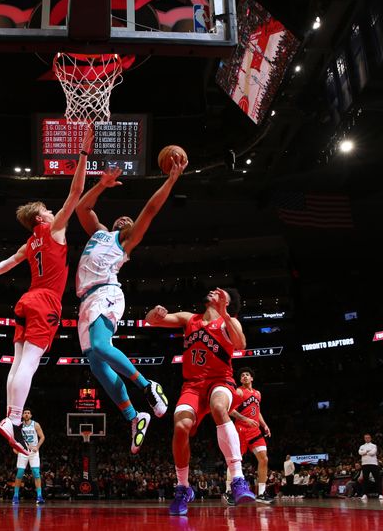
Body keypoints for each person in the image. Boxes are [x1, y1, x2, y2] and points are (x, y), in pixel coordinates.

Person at [0, 127, 93, 455]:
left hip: (26, 300)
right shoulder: (53, 230)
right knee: (31, 363)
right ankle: (12, 418)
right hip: (46, 302)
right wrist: (83, 153)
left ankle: (8, 418)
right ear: (41, 216)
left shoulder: (30, 243)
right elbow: (76, 191)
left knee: (18, 362)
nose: (55, 213)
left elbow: (8, 263)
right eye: (49, 211)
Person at [74, 155, 186, 453]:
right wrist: (101, 185)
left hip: (106, 292)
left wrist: (171, 180)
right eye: (121, 218)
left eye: (129, 221)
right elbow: (82, 208)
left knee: (100, 346)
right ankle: (135, 417)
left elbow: (149, 210)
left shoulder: (124, 241)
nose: (125, 219)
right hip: (85, 302)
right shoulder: (99, 233)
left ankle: (147, 385)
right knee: (98, 368)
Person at [144, 288, 255, 516]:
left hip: (220, 381)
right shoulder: (189, 319)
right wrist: (155, 313)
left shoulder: (229, 322)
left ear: (227, 302)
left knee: (218, 407)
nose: (213, 291)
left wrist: (224, 312)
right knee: (180, 427)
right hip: (192, 386)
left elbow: (241, 343)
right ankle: (183, 487)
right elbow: (151, 321)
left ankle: (238, 479)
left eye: (219, 292)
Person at [229, 367, 275, 504]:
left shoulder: (257, 393)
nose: (244, 376)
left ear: (252, 378)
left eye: (247, 375)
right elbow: (230, 410)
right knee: (235, 461)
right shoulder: (238, 391)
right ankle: (229, 492)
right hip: (241, 429)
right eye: (242, 375)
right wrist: (244, 419)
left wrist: (264, 425)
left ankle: (261, 494)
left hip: (255, 430)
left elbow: (257, 411)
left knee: (264, 459)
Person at [12, 409, 46, 505]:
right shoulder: (19, 426)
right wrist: (14, 448)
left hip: (33, 452)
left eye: (28, 413)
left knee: (36, 473)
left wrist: (37, 447)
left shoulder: (36, 424)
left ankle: (39, 496)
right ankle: (15, 496)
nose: (26, 414)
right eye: (25, 413)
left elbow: (42, 437)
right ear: (22, 415)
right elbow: (13, 439)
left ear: (30, 415)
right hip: (23, 451)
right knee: (20, 473)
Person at [358, 433, 382, 501]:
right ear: (364, 438)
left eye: (368, 437)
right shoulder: (362, 446)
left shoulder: (374, 445)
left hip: (373, 464)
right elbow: (360, 452)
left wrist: (365, 452)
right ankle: (365, 494)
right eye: (366, 438)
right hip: (365, 464)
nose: (367, 439)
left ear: (370, 438)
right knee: (365, 480)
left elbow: (373, 453)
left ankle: (380, 494)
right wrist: (367, 451)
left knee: (377, 479)